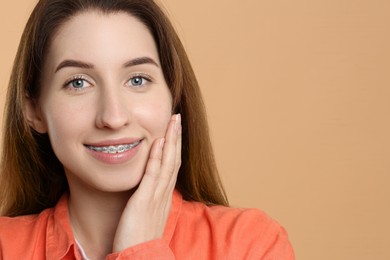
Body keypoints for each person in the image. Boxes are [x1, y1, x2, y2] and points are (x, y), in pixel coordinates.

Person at [0, 0, 295, 259]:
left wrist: (140, 251)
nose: (113, 117)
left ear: (173, 97)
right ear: (34, 110)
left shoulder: (249, 245)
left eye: (138, 80)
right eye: (78, 83)